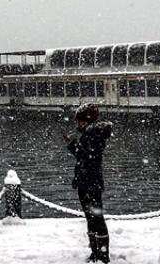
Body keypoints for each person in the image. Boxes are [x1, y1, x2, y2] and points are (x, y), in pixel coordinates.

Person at [64, 103, 113, 262]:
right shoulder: (91, 134)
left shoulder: (94, 135)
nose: (78, 124)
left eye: (80, 121)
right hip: (87, 181)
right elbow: (85, 156)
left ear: (87, 121)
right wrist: (74, 144)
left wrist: (73, 145)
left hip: (90, 181)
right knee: (91, 217)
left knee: (95, 218)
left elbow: (86, 157)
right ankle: (97, 251)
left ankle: (101, 254)